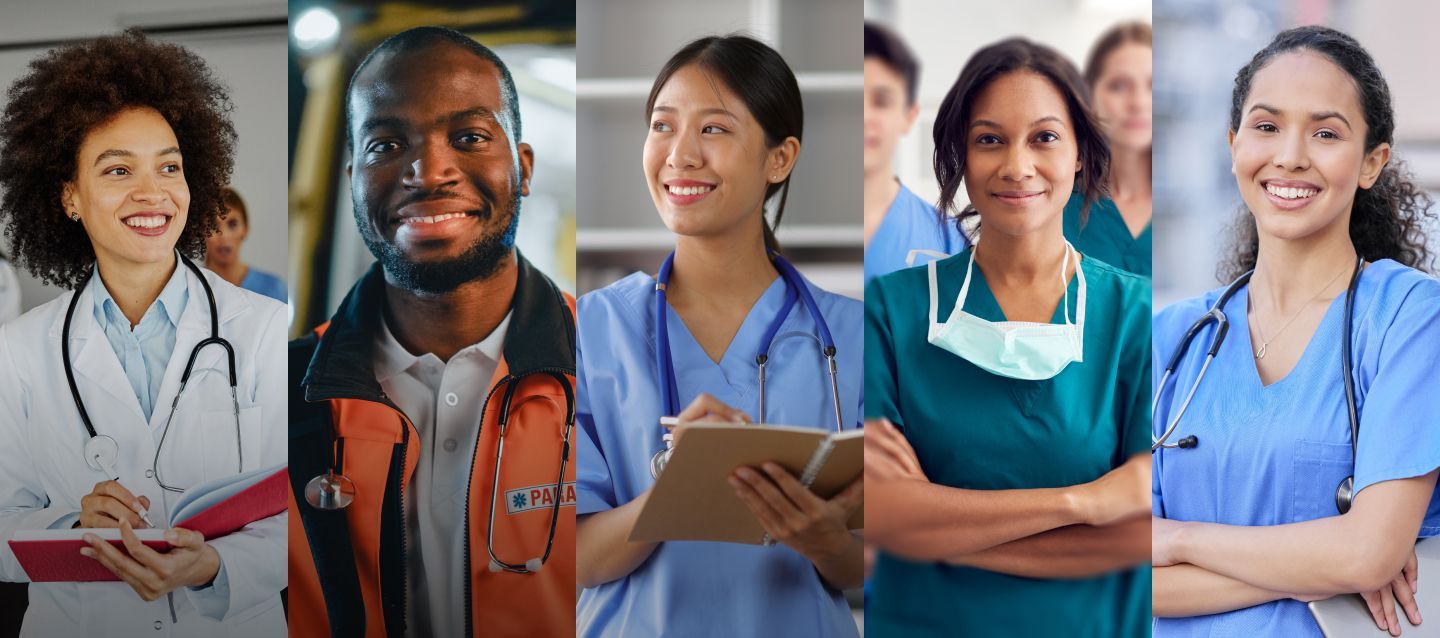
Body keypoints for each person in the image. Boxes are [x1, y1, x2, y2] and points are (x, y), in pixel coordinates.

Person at [286, 26, 577, 638]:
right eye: (386, 143)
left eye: (469, 137)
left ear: (522, 168)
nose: (427, 170)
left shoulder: (616, 368)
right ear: (352, 180)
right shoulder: (279, 394)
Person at [1151, 26, 1440, 638]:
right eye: (1266, 126)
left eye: (1327, 133)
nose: (1290, 155)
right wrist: (1325, 560)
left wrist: (1177, 538)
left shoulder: (1410, 319)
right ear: (1233, 146)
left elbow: (1369, 555)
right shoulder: (1171, 339)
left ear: (1371, 162)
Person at [574, 35, 864, 637]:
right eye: (662, 125)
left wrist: (827, 540)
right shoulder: (588, 328)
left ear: (779, 158)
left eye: (714, 130)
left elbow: (873, 566)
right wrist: (676, 486)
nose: (680, 155)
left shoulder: (854, 337)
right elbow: (570, 556)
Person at [0, 30, 287, 636]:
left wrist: (216, 564)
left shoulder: (263, 330)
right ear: (69, 196)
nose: (151, 191)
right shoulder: (20, 351)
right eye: (117, 169)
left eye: (169, 166)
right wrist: (76, 529)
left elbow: (306, 513)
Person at [864, 38, 1151, 636]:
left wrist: (937, 528)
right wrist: (1083, 502)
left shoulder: (1133, 313)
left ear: (1079, 154)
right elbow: (882, 512)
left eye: (1044, 138)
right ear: (960, 158)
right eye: (989, 139)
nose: (1017, 166)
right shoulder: (892, 310)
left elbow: (1141, 533)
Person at [863, 22, 967, 283]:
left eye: (881, 102)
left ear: (909, 116)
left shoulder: (948, 244)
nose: (863, 116)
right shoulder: (784, 236)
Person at [1064, 21, 1152, 277]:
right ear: (1090, 96)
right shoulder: (1056, 210)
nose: (1138, 102)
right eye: (1119, 86)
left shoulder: (1188, 212)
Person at [205, 187, 286, 302]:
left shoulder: (273, 289)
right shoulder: (190, 289)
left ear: (246, 229)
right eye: (213, 226)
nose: (224, 236)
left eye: (232, 224)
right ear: (201, 232)